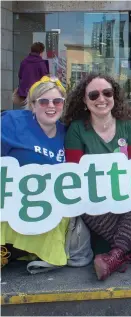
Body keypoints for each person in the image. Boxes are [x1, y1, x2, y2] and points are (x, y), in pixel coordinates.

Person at [63, 73, 131, 281]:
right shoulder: (77, 129)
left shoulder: (126, 125)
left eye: (107, 93)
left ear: (114, 96)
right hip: (94, 198)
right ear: (85, 102)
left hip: (125, 194)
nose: (101, 99)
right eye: (93, 95)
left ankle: (115, 255)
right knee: (84, 204)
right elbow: (74, 173)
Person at [1, 76, 68, 268]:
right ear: (32, 104)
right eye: (43, 101)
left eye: (57, 101)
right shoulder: (13, 122)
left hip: (49, 201)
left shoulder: (66, 132)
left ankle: (19, 252)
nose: (51, 106)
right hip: (13, 196)